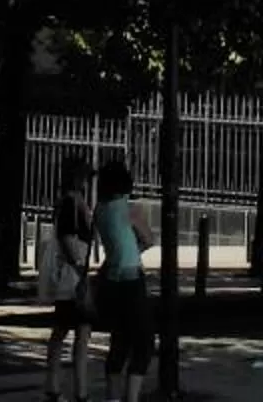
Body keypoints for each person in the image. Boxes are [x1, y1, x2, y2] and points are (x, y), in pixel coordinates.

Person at [91, 156, 153, 402]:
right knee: (143, 342)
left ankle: (113, 397)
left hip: (110, 279)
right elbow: (149, 239)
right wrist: (134, 249)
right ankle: (132, 397)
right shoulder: (131, 210)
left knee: (119, 340)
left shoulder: (99, 211)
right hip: (132, 279)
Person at [41, 158, 95, 402]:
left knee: (64, 331)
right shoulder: (71, 203)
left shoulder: (70, 202)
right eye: (85, 177)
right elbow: (67, 237)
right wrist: (80, 267)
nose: (87, 182)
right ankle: (77, 391)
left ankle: (56, 386)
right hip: (73, 276)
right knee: (78, 331)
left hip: (71, 275)